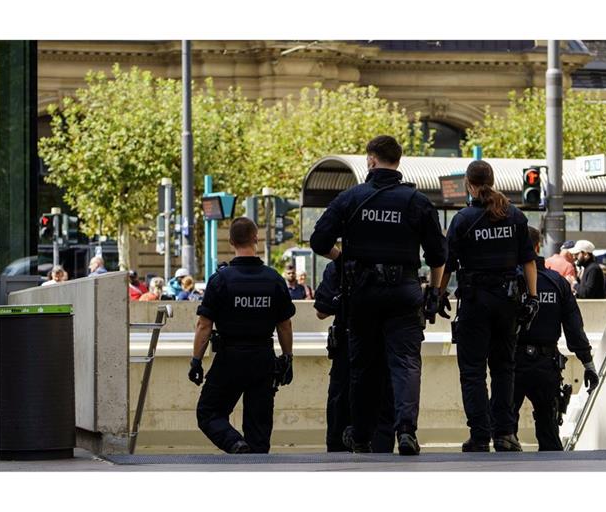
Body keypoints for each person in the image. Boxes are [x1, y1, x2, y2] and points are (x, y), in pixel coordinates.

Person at [309, 134, 446, 455]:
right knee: (406, 363)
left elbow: (319, 241)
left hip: (363, 294)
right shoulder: (417, 202)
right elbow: (438, 256)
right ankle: (407, 432)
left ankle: (359, 435)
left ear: (371, 161)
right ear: (398, 161)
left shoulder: (351, 198)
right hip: (404, 293)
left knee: (363, 366)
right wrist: (436, 292)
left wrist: (343, 259)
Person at [438, 160, 538, 452]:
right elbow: (528, 261)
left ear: (469, 184)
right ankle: (505, 433)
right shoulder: (514, 216)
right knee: (504, 369)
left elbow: (447, 264)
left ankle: (480, 435)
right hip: (508, 302)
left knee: (472, 371)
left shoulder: (462, 220)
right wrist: (532, 298)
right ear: (491, 181)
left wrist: (438, 293)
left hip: (474, 302)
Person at [188, 217, 295, 454]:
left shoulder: (220, 280)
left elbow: (204, 325)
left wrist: (196, 360)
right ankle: (254, 459)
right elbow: (285, 325)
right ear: (255, 239)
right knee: (259, 428)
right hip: (263, 359)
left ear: (231, 241)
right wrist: (287, 358)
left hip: (230, 358)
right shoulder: (274, 279)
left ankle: (236, 445)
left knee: (209, 412)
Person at [508, 227, 599, 451]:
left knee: (505, 433)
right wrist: (587, 363)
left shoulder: (507, 282)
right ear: (538, 247)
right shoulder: (557, 283)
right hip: (546, 366)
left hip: (511, 364)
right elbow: (574, 329)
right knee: (549, 433)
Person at [314, 261, 395, 453]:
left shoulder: (340, 266)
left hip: (348, 342)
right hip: (385, 343)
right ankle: (381, 456)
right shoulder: (395, 263)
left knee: (341, 401)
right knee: (383, 404)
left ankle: (339, 454)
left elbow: (321, 311)